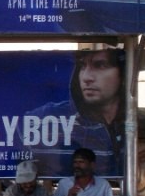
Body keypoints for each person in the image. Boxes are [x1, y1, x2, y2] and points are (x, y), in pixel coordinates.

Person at [25, 48, 125, 178]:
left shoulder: (130, 125)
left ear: (122, 74)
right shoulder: (43, 119)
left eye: (100, 65)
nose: (87, 77)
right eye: (82, 66)